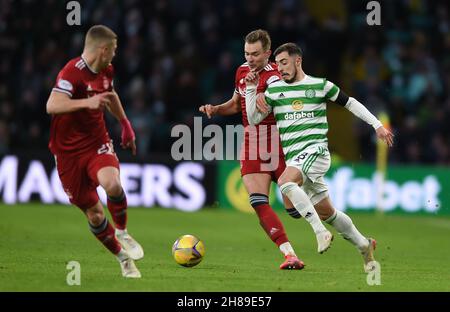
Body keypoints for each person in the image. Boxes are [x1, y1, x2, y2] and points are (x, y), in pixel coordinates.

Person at [245, 42, 394, 272]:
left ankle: (320, 233)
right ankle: (364, 244)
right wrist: (252, 91)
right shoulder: (275, 91)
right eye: (278, 64)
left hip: (317, 151)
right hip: (296, 157)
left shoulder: (320, 85)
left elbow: (350, 103)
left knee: (285, 182)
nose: (280, 68)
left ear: (298, 61)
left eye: (284, 63)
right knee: (328, 212)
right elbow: (254, 119)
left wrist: (376, 125)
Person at [200, 30, 305, 270]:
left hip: (280, 142)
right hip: (253, 141)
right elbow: (236, 105)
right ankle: (289, 254)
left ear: (268, 53)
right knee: (258, 201)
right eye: (247, 53)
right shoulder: (241, 71)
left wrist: (270, 99)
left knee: (296, 210)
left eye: (256, 54)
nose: (250, 59)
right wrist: (216, 109)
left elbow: (289, 102)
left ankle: (352, 234)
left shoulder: (278, 75)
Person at [46, 25, 144, 278]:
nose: (114, 56)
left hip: (96, 141)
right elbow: (52, 105)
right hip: (67, 153)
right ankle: (122, 258)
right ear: (103, 49)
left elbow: (110, 95)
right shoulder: (72, 72)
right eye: (113, 51)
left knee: (111, 184)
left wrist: (125, 125)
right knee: (95, 213)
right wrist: (86, 102)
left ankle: (122, 230)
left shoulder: (106, 70)